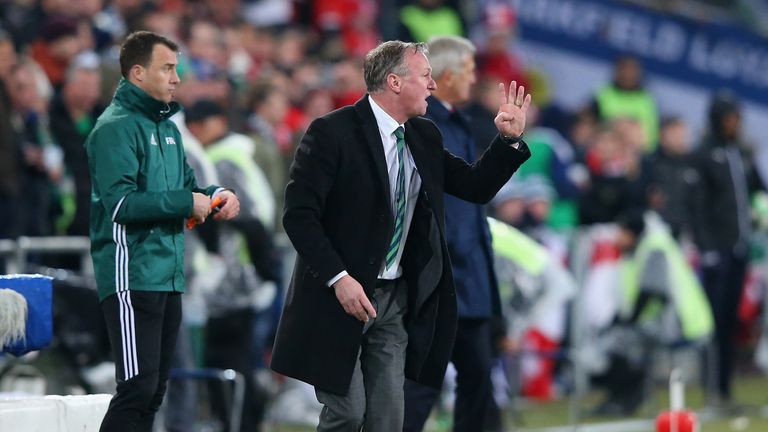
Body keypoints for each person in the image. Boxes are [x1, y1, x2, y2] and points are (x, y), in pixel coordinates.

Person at [270, 40, 532, 431]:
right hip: (337, 296)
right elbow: (299, 216)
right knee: (347, 413)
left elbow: (475, 187)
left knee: (390, 418)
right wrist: (338, 278)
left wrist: (507, 141)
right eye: (426, 76)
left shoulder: (424, 135)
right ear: (394, 81)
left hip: (394, 299)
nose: (432, 86)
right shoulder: (331, 132)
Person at [84, 31, 240, 432]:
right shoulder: (114, 128)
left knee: (154, 391)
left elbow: (189, 187)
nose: (177, 78)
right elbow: (120, 204)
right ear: (137, 73)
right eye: (167, 68)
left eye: (177, 68)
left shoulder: (168, 128)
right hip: (131, 273)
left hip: (167, 274)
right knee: (136, 388)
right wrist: (187, 203)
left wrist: (216, 193)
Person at [402, 35, 502, 432]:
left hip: (468, 275)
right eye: (468, 69)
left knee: (476, 376)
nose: (474, 77)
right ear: (445, 76)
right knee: (426, 380)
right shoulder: (429, 126)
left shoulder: (457, 122)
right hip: (448, 274)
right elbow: (455, 212)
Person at [590, 211, 712, 416]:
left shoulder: (654, 248)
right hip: (670, 319)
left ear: (631, 232)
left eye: (620, 232)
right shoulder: (641, 249)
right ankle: (623, 396)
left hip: (682, 321)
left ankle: (627, 398)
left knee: (620, 341)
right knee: (617, 337)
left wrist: (627, 322)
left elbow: (652, 292)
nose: (617, 238)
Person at [691, 91, 764, 404]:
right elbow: (698, 206)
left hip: (739, 249)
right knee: (712, 321)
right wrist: (706, 247)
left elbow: (759, 190)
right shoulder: (705, 154)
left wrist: (759, 211)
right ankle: (710, 387)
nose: (735, 123)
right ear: (718, 119)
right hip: (715, 251)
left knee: (731, 322)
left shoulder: (742, 153)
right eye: (730, 117)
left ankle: (724, 389)